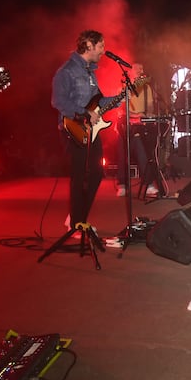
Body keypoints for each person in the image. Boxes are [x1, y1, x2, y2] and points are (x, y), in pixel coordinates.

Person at [52, 30, 121, 233]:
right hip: (72, 129)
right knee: (80, 175)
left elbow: (98, 102)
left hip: (91, 130)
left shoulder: (90, 72)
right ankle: (77, 223)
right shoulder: (66, 71)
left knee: (96, 173)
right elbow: (58, 101)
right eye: (101, 45)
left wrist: (120, 97)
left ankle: (77, 217)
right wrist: (83, 112)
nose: (103, 50)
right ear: (89, 45)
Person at [115, 62, 160, 198]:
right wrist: (135, 115)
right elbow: (121, 108)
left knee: (143, 154)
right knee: (123, 155)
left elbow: (150, 106)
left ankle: (149, 185)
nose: (141, 70)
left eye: (142, 68)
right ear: (130, 72)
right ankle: (122, 185)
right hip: (126, 125)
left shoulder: (147, 88)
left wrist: (149, 115)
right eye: (137, 68)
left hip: (141, 125)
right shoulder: (124, 88)